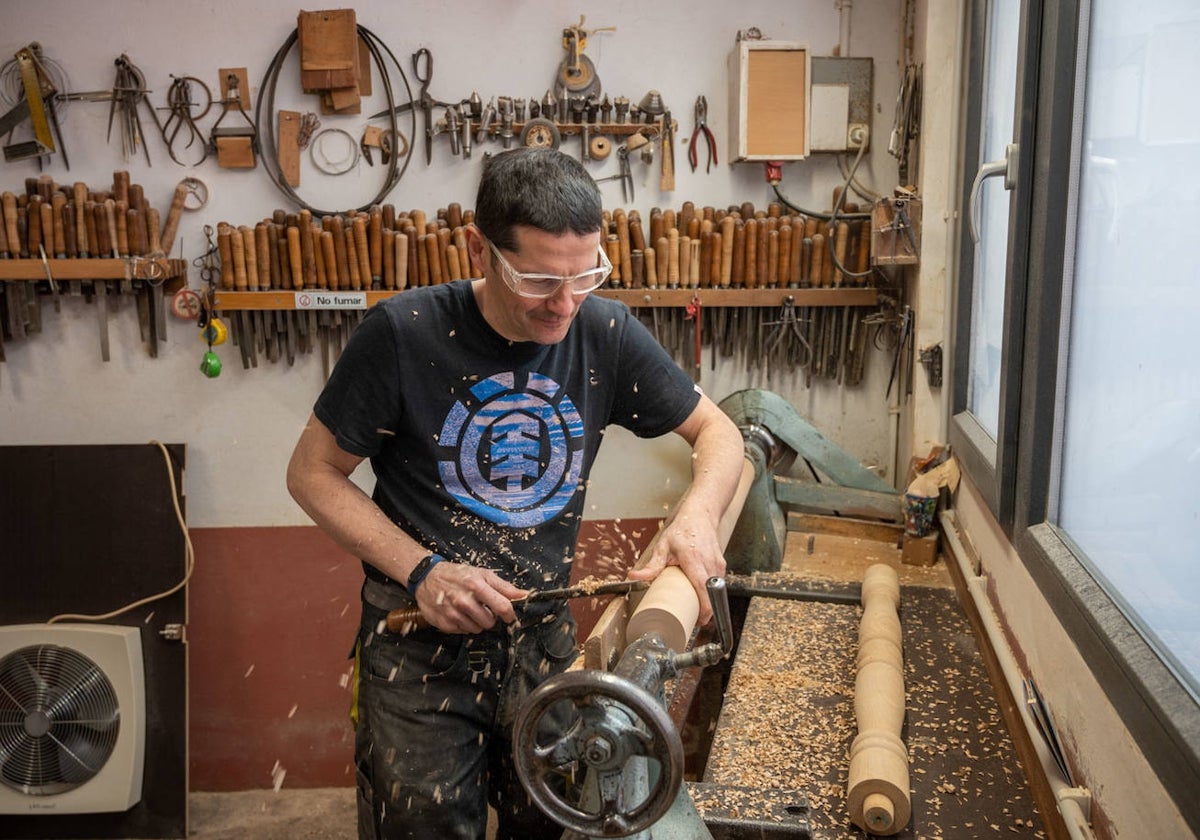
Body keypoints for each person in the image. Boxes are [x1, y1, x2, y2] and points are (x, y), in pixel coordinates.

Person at [286, 147, 746, 840]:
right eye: (538, 279)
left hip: (543, 645)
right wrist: (425, 571)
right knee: (426, 826)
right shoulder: (402, 334)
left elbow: (719, 431)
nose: (564, 304)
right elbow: (311, 473)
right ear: (480, 249)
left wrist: (697, 517)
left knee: (555, 822)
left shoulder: (604, 330)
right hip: (418, 649)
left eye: (584, 274)